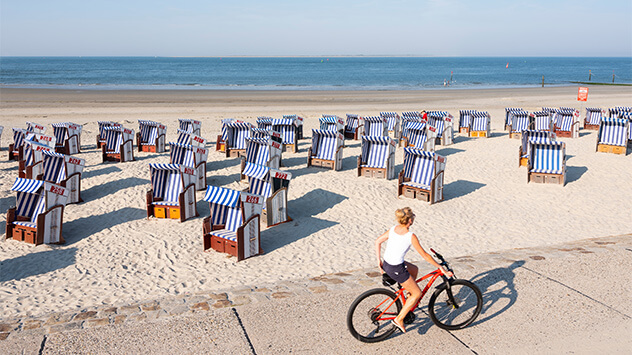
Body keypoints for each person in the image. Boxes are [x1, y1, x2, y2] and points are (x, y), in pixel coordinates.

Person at [375, 207, 453, 333]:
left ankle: (408, 295)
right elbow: (425, 255)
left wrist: (379, 261)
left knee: (414, 269)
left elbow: (377, 241)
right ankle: (399, 319)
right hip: (396, 268)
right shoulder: (411, 236)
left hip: (387, 263)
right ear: (410, 220)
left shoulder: (394, 229)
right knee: (418, 293)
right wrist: (441, 268)